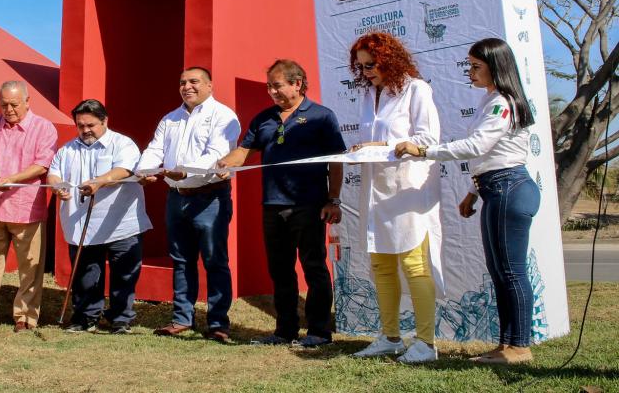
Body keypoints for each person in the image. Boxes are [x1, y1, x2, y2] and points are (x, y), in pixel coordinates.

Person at [396, 38, 538, 364]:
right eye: (469, 65)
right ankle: (507, 345)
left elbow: (477, 146)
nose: (470, 72)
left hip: (509, 188)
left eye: (476, 66)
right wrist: (473, 192)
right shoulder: (491, 101)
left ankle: (520, 346)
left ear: (495, 67)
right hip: (494, 188)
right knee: (500, 271)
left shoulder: (503, 102)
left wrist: (425, 150)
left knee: (512, 272)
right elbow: (490, 154)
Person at [217, 59, 346, 348]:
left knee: (314, 267)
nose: (272, 92)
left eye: (277, 86)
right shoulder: (264, 117)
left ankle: (319, 332)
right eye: (269, 87)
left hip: (310, 205)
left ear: (297, 83)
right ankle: (285, 330)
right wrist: (227, 163)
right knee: (280, 269)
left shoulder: (322, 116)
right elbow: (244, 150)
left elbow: (336, 161)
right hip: (272, 205)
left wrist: (333, 199)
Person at [347, 32, 443, 363]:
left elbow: (428, 138)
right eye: (361, 68)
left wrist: (380, 148)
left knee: (415, 264)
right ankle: (390, 337)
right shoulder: (369, 94)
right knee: (380, 264)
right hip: (376, 191)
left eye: (371, 65)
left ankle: (426, 343)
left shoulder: (416, 89)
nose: (367, 72)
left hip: (408, 189)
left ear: (390, 59)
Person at [136, 67, 241, 343]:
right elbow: (155, 149)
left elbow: (218, 155)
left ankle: (218, 323)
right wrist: (144, 171)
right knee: (181, 260)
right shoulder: (170, 118)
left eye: (194, 82)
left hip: (210, 197)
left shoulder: (224, 116)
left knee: (215, 260)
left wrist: (186, 172)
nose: (187, 87)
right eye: (182, 82)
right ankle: (182, 318)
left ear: (209, 85)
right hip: (176, 197)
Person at [47, 99, 153, 334]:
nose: (85, 130)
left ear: (105, 121)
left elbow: (125, 169)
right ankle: (85, 317)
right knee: (85, 275)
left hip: (120, 221)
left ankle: (120, 319)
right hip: (81, 221)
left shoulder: (122, 143)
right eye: (80, 125)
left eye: (91, 125)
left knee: (123, 274)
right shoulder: (67, 150)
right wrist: (57, 187)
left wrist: (99, 181)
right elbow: (53, 174)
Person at [0, 80, 58, 332]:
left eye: (14, 104)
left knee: (31, 267)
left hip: (27, 209)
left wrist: (13, 179)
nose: (9, 109)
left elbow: (43, 164)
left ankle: (25, 317)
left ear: (27, 102)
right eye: (4, 104)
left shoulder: (43, 128)